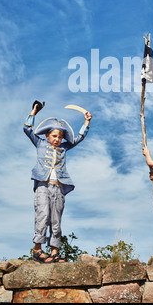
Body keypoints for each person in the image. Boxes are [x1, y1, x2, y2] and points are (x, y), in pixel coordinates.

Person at [24, 101, 92, 263]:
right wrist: (33, 112)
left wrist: (86, 122)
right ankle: (38, 250)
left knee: (56, 220)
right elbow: (27, 129)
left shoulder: (63, 148)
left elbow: (78, 139)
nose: (57, 139)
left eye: (60, 137)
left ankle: (55, 252)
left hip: (59, 188)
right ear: (47, 135)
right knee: (43, 216)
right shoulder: (39, 143)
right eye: (54, 136)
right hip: (42, 186)